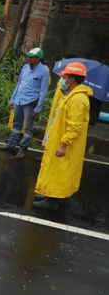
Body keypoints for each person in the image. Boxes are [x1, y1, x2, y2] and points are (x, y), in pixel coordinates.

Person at [32, 62, 93, 210]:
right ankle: (48, 193)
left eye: (65, 77)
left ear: (71, 79)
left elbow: (74, 126)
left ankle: (53, 200)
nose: (63, 80)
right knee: (54, 167)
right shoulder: (71, 96)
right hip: (58, 138)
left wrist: (63, 144)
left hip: (65, 144)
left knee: (60, 169)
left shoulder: (78, 99)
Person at [0, 47, 50, 160]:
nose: (28, 58)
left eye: (31, 57)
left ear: (38, 59)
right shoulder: (25, 67)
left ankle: (23, 149)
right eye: (28, 56)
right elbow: (19, 85)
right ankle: (11, 145)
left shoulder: (44, 71)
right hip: (19, 100)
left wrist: (38, 107)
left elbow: (43, 91)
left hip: (30, 102)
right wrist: (13, 99)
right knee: (16, 124)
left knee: (27, 127)